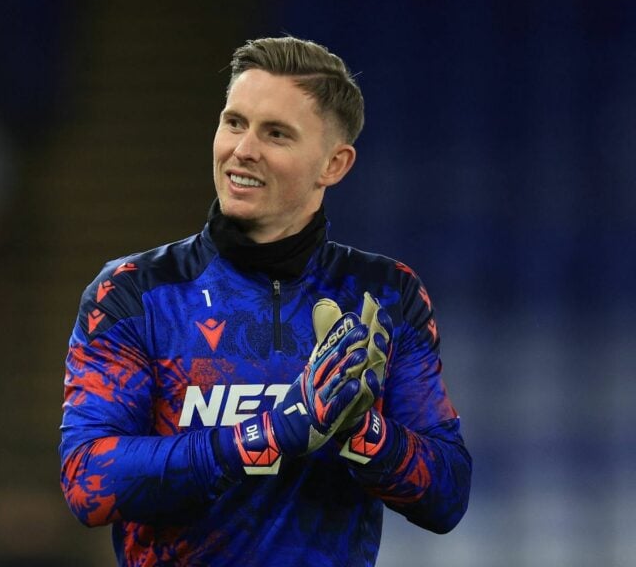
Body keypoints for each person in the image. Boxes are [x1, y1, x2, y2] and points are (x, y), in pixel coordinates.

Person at [58, 36, 471, 566]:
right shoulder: (135, 292)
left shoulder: (385, 294)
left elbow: (448, 494)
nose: (242, 149)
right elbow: (88, 479)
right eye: (234, 122)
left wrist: (363, 434)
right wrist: (273, 433)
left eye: (275, 133)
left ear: (334, 165)